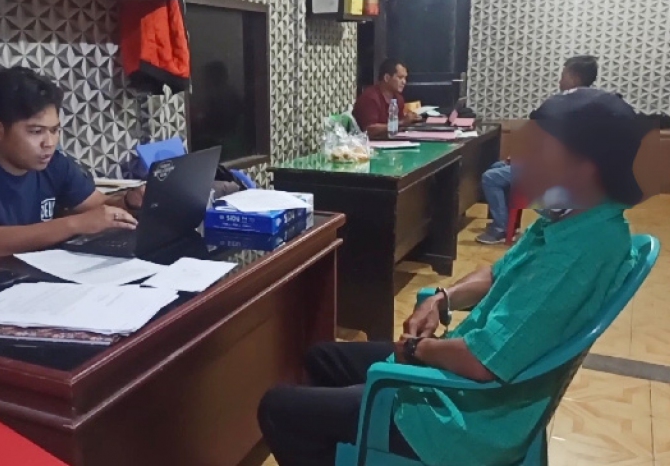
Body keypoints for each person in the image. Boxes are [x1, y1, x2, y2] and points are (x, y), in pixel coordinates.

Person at [258, 88, 647, 466]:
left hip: (460, 421)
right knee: (322, 357)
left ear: (584, 167)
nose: (516, 159)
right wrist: (442, 298)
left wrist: (416, 351)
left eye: (537, 149)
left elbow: (481, 363)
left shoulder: (577, 256)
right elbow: (496, 273)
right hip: (464, 387)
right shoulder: (571, 221)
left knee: (278, 409)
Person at [0, 67, 144, 282]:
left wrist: (129, 201)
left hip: (23, 280)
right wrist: (74, 224)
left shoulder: (53, 164)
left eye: (54, 130)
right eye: (36, 131)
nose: (49, 143)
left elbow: (97, 206)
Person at [476, 55, 600, 244]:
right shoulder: (594, 104)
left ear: (574, 77)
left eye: (563, 75)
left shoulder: (563, 104)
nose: (560, 80)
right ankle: (507, 224)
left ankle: (501, 228)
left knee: (490, 177)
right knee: (497, 167)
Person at [352, 59, 421, 139]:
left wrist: (412, 120)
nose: (404, 82)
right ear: (387, 78)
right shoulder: (370, 97)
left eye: (405, 78)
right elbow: (369, 130)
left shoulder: (399, 99)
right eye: (400, 77)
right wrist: (401, 122)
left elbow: (399, 127)